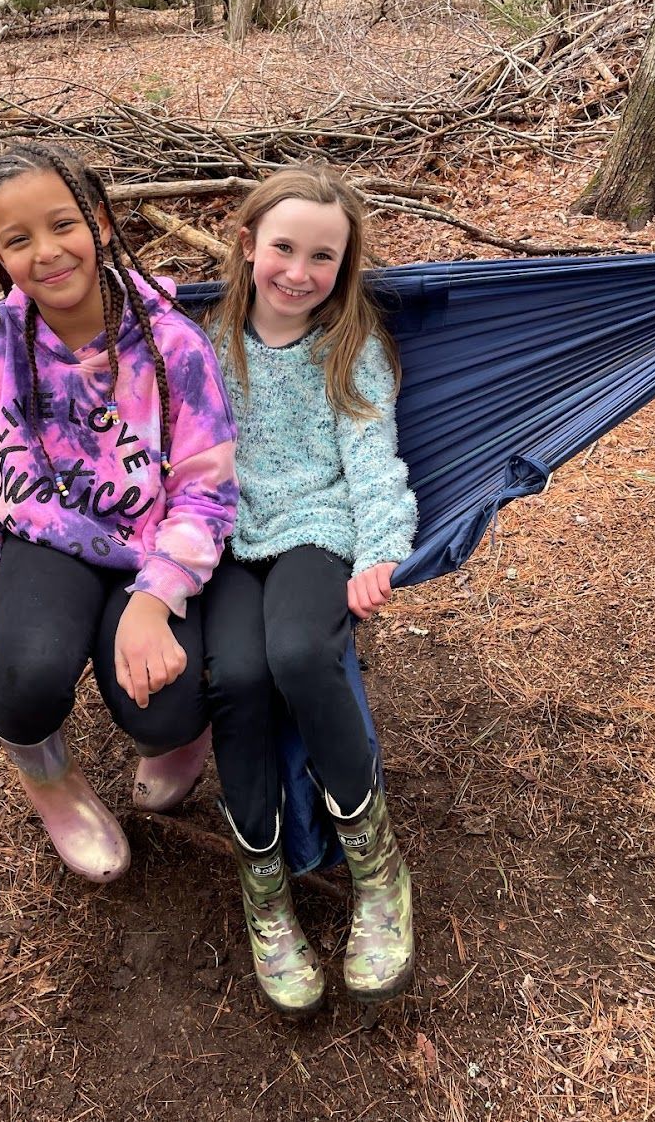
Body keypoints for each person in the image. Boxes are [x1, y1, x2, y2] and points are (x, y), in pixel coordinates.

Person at [0, 142, 238, 883]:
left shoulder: (173, 344)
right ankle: (46, 773)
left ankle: (178, 739)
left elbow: (207, 487)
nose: (47, 252)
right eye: (17, 239)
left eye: (62, 224)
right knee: (32, 676)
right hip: (42, 540)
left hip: (152, 546)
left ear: (99, 222)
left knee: (164, 710)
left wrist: (157, 598)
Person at [204, 166, 418, 1017]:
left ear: (345, 265)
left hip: (316, 529)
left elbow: (371, 459)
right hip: (218, 539)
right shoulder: (202, 341)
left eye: (322, 256)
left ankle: (377, 869)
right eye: (284, 248)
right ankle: (265, 894)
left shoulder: (350, 347)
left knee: (297, 651)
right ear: (249, 243)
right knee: (240, 679)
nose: (299, 271)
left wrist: (379, 550)